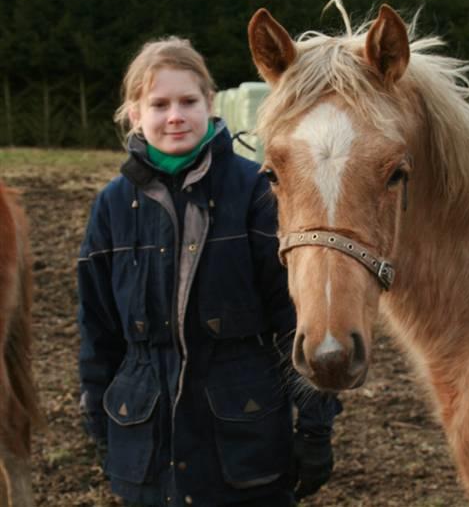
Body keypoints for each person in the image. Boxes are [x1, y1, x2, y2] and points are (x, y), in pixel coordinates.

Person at [77, 36, 341, 507]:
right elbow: (98, 335)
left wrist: (315, 429)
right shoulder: (112, 207)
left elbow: (295, 320)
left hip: (246, 452)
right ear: (134, 112)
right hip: (147, 454)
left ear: (209, 104)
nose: (174, 115)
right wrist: (102, 430)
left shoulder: (257, 192)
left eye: (187, 101)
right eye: (159, 103)